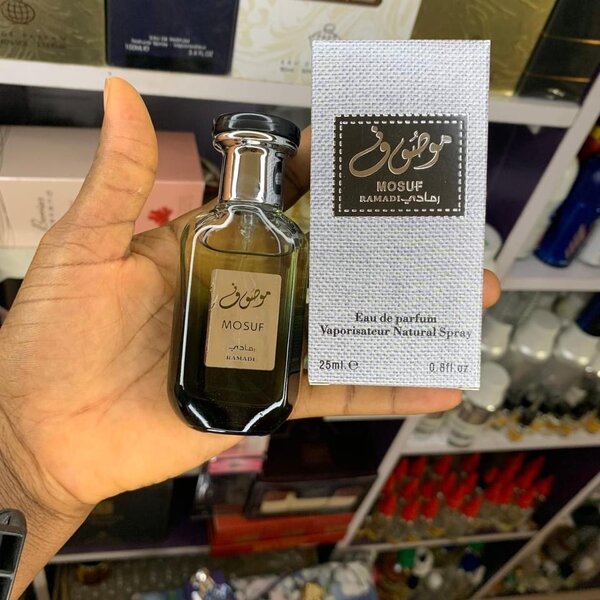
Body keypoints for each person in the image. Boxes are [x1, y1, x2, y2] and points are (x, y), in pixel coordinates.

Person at [0, 78, 500, 595]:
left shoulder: (283, 237)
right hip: (191, 398)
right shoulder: (209, 232)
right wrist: (17, 460)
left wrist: (22, 470)